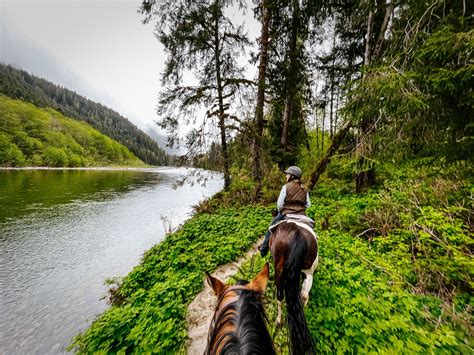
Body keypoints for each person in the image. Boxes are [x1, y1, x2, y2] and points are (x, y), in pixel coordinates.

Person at [258, 166, 310, 257]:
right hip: (302, 215)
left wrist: (280, 211)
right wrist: (300, 208)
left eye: (287, 174)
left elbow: (279, 204)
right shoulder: (304, 188)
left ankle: (264, 248)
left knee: (271, 227)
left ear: (292, 176)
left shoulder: (286, 187)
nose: (286, 176)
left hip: (287, 213)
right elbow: (308, 204)